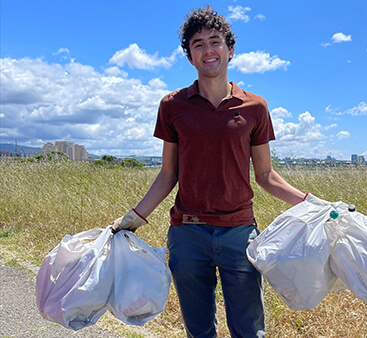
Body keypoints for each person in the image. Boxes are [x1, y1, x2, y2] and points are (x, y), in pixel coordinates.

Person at [112, 5, 306, 337]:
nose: (207, 50)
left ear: (230, 50)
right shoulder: (173, 106)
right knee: (199, 331)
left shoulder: (255, 107)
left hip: (239, 233)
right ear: (189, 56)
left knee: (249, 330)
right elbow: (167, 174)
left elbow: (266, 176)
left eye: (214, 41)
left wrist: (314, 203)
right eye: (198, 44)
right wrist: (133, 218)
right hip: (188, 235)